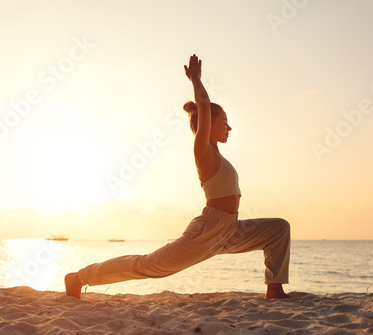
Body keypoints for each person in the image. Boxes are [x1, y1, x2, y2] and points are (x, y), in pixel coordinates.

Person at [65, 54, 290, 299]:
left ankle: (274, 289)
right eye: (224, 122)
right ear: (208, 125)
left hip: (229, 229)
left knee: (278, 229)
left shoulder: (219, 156)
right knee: (147, 265)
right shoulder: (202, 152)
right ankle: (78, 278)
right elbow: (204, 105)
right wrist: (195, 79)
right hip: (207, 231)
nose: (229, 127)